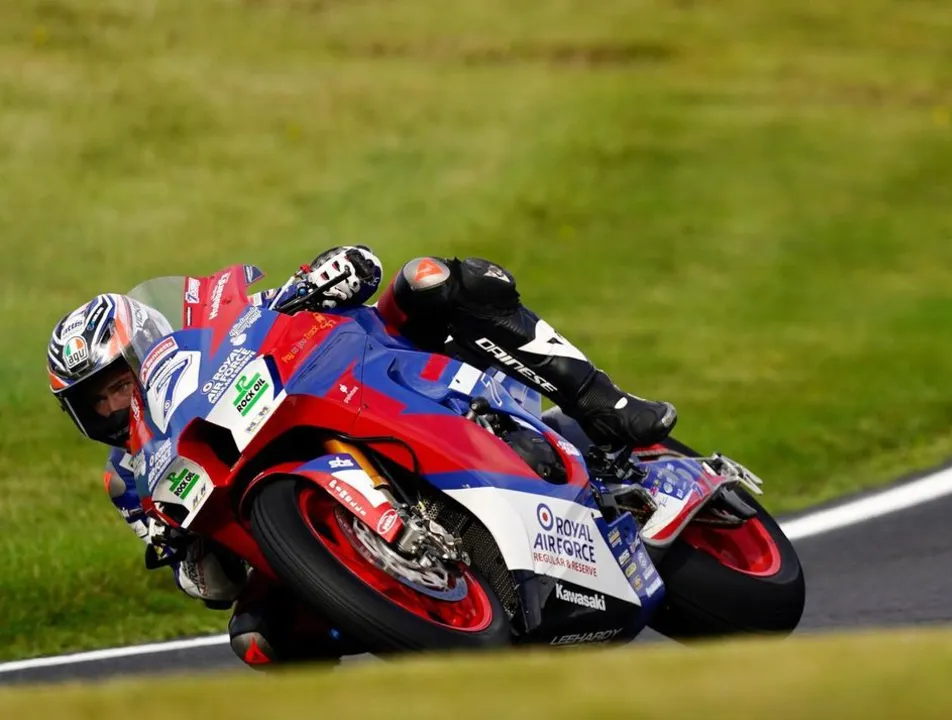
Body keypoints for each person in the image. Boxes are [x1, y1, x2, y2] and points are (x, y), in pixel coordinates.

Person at [45, 247, 678, 668]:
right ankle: (415, 618)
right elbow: (212, 585)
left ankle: (605, 402)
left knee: (428, 279)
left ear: (147, 348)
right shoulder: (131, 482)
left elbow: (353, 268)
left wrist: (325, 277)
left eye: (117, 384)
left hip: (369, 383)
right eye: (95, 402)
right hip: (274, 508)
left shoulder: (216, 320)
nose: (113, 405)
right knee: (258, 641)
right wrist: (185, 550)